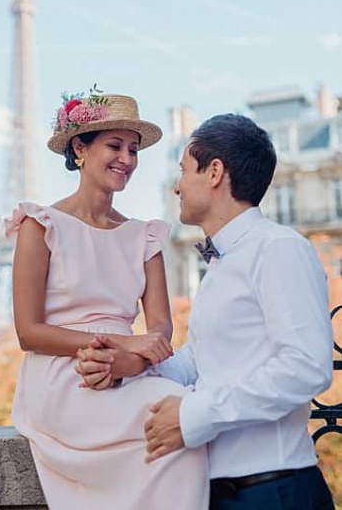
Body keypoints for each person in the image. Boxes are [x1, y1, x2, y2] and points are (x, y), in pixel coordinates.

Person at [78, 114, 335, 509]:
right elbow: (200, 364)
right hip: (218, 492)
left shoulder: (279, 248)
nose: (178, 185)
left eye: (183, 171)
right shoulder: (220, 265)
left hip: (274, 492)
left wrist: (193, 415)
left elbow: (305, 367)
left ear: (214, 172)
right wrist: (130, 363)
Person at [5, 91, 209, 510]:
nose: (127, 159)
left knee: (186, 418)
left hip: (130, 370)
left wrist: (129, 360)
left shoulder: (145, 235)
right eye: (114, 146)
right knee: (181, 415)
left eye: (133, 150)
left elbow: (160, 327)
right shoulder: (40, 225)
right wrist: (119, 347)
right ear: (80, 148)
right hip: (66, 379)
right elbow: (28, 332)